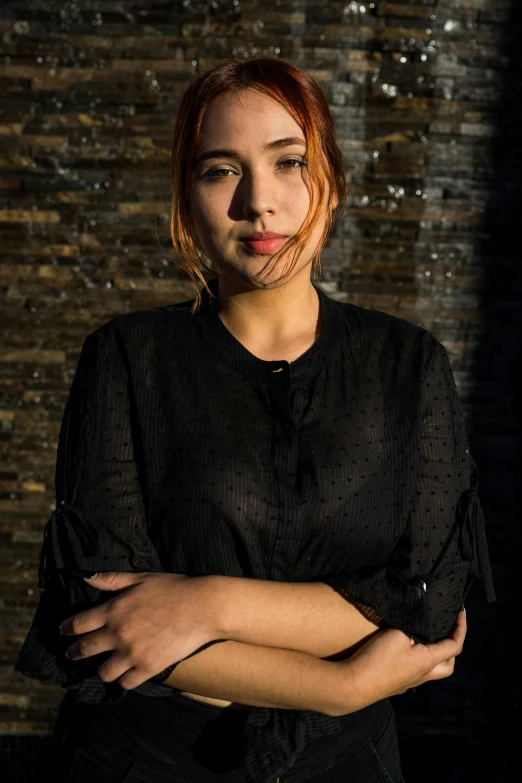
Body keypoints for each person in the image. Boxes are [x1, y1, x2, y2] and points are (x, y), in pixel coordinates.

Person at [14, 58, 495, 783]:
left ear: (330, 178)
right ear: (186, 193)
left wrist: (206, 603)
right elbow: (112, 624)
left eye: (288, 161)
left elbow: (428, 596)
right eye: (220, 170)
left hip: (348, 765)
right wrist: (346, 682)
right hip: (147, 761)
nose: (258, 202)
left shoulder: (408, 363)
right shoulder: (125, 358)